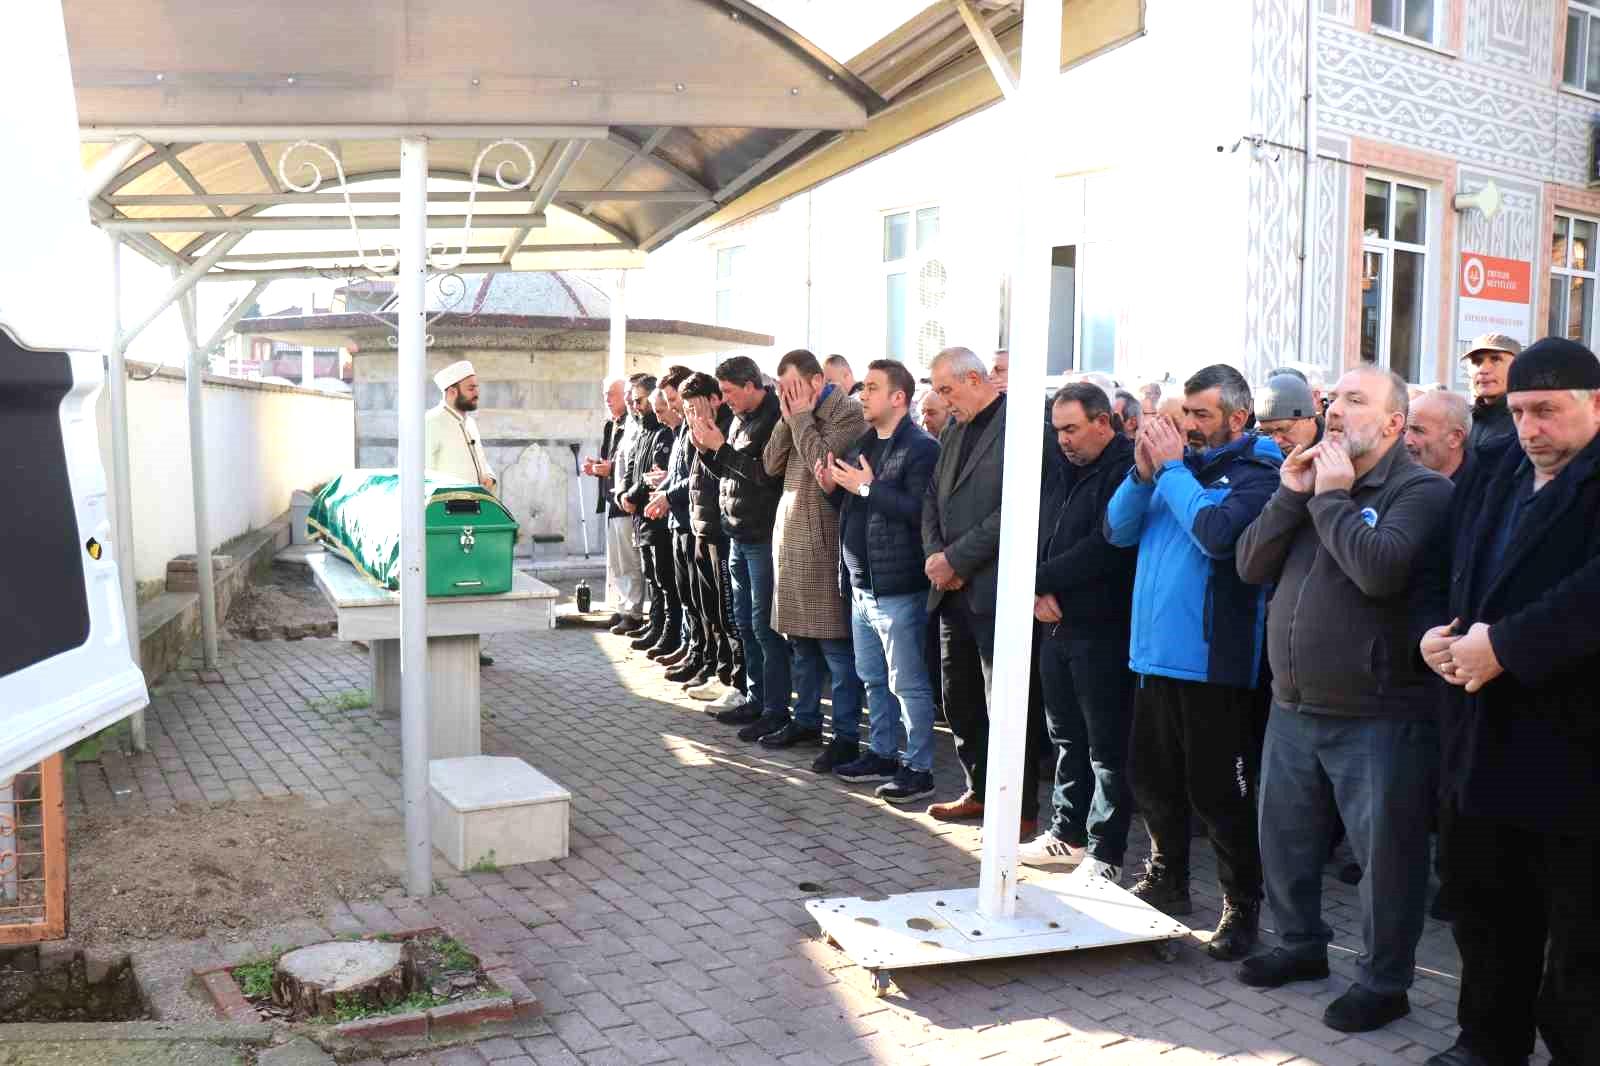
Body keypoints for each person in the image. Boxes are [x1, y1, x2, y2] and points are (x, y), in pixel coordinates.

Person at [1235, 366, 1451, 1034]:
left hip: (1378, 713)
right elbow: (1249, 565)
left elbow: (1379, 570)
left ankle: (1385, 982)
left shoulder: (1422, 491)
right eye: (1333, 400)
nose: (1333, 412)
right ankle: (1299, 945)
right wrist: (1290, 496)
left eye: (1356, 401)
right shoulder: (1313, 485)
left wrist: (1329, 497)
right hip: (1293, 703)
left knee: (1385, 860)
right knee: (1285, 840)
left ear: (1393, 424)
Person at [1419, 337, 1600, 1066]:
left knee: (1581, 934)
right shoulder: (1494, 471)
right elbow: (1446, 568)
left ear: (1595, 405)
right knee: (1485, 908)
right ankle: (1487, 1042)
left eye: (1548, 412)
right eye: (1520, 411)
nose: (1531, 429)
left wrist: (1507, 647)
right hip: (1479, 735)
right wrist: (1431, 635)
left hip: (1576, 749)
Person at [1105, 363, 1281, 961]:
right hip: (1154, 655)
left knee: (1218, 794)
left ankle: (1241, 905)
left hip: (1213, 662)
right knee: (1152, 778)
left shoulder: (1260, 473)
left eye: (1203, 415)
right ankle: (1167, 877)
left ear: (1239, 416)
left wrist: (1174, 469)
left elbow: (1215, 534)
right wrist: (1141, 472)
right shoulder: (1178, 471)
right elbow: (1117, 530)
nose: (1191, 427)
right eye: (1185, 415)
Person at [1019, 383, 1139, 883]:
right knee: (1065, 735)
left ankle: (1105, 851)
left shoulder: (1126, 471)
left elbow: (1105, 549)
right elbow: (1038, 530)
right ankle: (1066, 834)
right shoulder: (1060, 470)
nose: (1063, 440)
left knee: (1106, 745)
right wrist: (1034, 590)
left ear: (1103, 422)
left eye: (1071, 429)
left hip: (1103, 627)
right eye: (1057, 430)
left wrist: (1037, 578)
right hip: (1055, 624)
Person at [921, 346, 1042, 837]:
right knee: (960, 700)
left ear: (975, 379)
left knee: (1006, 703)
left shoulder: (1021, 425)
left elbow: (1016, 506)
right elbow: (933, 497)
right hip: (950, 592)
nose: (943, 401)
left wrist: (958, 559)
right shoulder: (953, 429)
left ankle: (1020, 807)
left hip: (993, 589)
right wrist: (936, 557)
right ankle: (978, 789)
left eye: (948, 390)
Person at [815, 359, 941, 802]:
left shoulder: (921, 448)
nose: (862, 395)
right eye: (863, 387)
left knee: (906, 681)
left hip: (898, 587)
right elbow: (858, 511)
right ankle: (883, 753)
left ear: (898, 398)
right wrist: (836, 492)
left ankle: (919, 766)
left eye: (871, 387)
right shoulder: (864, 443)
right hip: (861, 583)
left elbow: (920, 515)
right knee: (873, 677)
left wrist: (868, 489)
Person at [755, 349, 868, 764]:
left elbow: (825, 465)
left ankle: (845, 735)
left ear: (816, 382)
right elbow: (770, 465)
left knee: (835, 649)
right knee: (800, 642)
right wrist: (790, 419)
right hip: (790, 540)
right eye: (781, 390)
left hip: (822, 544)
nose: (785, 396)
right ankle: (804, 721)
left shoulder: (848, 414)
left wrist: (801, 417)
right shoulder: (793, 413)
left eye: (793, 388)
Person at [689, 356, 787, 731]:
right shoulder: (741, 420)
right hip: (736, 533)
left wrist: (721, 448)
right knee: (743, 622)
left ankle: (775, 708)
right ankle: (755, 696)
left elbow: (764, 476)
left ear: (750, 386)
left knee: (764, 627)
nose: (724, 399)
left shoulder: (774, 418)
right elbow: (728, 473)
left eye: (729, 391)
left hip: (761, 536)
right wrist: (705, 447)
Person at [425, 359, 501, 666]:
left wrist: (490, 477)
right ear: (451, 390)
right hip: (445, 519)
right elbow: (422, 472)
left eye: (477, 387)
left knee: (473, 582)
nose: (476, 393)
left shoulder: (468, 422)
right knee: (446, 583)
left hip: (474, 514)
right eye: (471, 388)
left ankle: (470, 645)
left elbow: (482, 461)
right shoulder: (431, 422)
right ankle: (439, 647)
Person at [678, 373, 745, 708]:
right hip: (701, 529)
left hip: (723, 531)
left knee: (730, 612)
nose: (690, 412)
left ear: (715, 399)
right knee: (712, 611)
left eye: (695, 404)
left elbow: (729, 479)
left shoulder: (726, 429)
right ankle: (722, 675)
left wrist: (709, 446)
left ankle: (739, 683)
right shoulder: (699, 431)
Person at [615, 376, 678, 655]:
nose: (636, 406)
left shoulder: (662, 431)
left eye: (639, 401)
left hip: (657, 516)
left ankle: (667, 631)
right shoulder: (641, 430)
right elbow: (632, 467)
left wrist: (633, 494)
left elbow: (653, 472)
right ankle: (656, 625)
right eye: (634, 401)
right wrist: (625, 495)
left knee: (664, 579)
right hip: (640, 514)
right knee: (652, 576)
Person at [643, 369, 697, 664]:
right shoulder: (680, 433)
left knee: (704, 603)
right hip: (677, 521)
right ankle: (690, 649)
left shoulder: (697, 428)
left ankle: (705, 659)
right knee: (683, 592)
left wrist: (667, 493)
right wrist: (663, 489)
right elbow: (678, 474)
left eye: (672, 400)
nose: (671, 408)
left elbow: (696, 476)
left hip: (695, 522)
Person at [584, 378, 645, 634]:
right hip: (612, 497)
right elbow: (613, 460)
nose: (608, 400)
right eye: (605, 395)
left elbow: (630, 463)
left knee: (630, 559)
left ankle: (633, 612)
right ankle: (622, 608)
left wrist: (609, 469)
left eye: (612, 395)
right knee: (617, 561)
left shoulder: (634, 425)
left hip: (627, 500)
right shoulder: (612, 425)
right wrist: (598, 466)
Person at [1460, 333, 1521, 455]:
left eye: (1495, 359)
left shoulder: (1525, 422)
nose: (1483, 369)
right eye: (1477, 362)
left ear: (1518, 366)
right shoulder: (1464, 420)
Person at [1405, 389, 1474, 484]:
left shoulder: (1485, 488)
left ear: (1455, 438)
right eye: (1404, 430)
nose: (1406, 440)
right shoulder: (1396, 479)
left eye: (1418, 431)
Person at [1254, 372, 1324, 456]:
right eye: (1268, 432)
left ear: (1310, 417)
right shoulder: (1261, 456)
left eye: (1282, 429)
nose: (1276, 441)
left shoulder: (1339, 453)